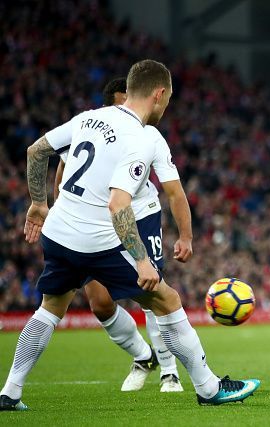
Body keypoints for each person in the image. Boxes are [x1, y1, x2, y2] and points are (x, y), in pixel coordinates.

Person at [0, 59, 260, 411]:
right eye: (167, 100)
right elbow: (118, 205)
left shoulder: (89, 117)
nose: (166, 107)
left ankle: (10, 392)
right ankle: (209, 388)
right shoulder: (139, 138)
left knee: (49, 308)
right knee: (166, 300)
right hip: (97, 240)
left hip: (58, 233)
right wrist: (142, 261)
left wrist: (37, 203)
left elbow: (36, 151)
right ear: (159, 93)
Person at [53, 77, 185, 393]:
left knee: (151, 291)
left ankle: (170, 372)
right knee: (99, 302)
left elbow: (174, 189)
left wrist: (186, 235)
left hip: (141, 215)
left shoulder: (147, 135)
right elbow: (63, 174)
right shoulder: (90, 128)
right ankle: (143, 357)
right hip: (98, 222)